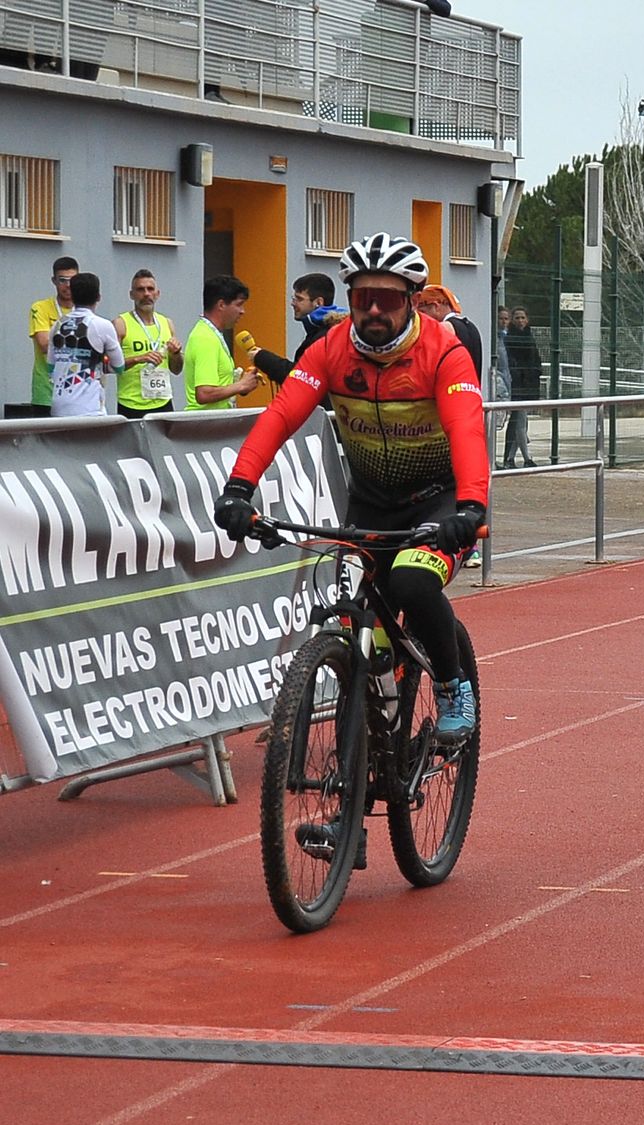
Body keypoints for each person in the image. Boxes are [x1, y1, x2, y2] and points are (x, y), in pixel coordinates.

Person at [212, 232, 486, 766]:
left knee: (411, 580)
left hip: (440, 501)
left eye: (389, 298)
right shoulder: (331, 350)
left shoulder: (443, 352)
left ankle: (453, 685)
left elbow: (467, 431)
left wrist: (471, 507)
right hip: (370, 503)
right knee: (361, 634)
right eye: (364, 298)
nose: (375, 310)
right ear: (349, 299)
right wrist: (239, 488)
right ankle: (364, 772)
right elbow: (280, 417)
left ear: (411, 299)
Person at [417, 284, 486, 568]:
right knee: (470, 480)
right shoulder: (471, 327)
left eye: (422, 310)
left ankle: (460, 547)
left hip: (448, 412)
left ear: (435, 307)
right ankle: (472, 546)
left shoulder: (446, 331)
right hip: (471, 407)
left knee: (449, 483)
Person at [48, 273, 124, 417]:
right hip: (90, 409)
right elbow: (119, 366)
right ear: (98, 297)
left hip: (59, 407)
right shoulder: (103, 325)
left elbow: (51, 367)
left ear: (72, 296)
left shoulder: (57, 325)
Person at [247, 273, 343, 386]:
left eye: (299, 299)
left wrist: (262, 357)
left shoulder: (327, 336)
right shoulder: (324, 330)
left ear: (318, 302)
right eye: (294, 298)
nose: (293, 303)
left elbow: (303, 378)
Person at [111, 269, 184, 418]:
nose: (146, 294)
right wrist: (139, 358)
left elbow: (176, 370)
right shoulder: (121, 323)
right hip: (131, 403)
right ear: (131, 294)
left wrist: (176, 354)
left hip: (163, 401)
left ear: (157, 294)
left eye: (150, 289)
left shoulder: (167, 323)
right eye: (140, 290)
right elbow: (110, 366)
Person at [184, 275, 261, 410]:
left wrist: (241, 383)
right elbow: (204, 393)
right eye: (239, 304)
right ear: (221, 305)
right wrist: (240, 385)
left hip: (214, 423)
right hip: (204, 425)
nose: (242, 311)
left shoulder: (211, 333)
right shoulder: (205, 338)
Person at [21, 256, 78, 420]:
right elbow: (45, 344)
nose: (68, 285)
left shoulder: (83, 310)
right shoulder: (40, 308)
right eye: (62, 280)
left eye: (72, 280)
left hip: (76, 392)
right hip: (47, 392)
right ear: (54, 281)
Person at [501, 305, 540, 467]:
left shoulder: (529, 337)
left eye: (523, 317)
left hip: (528, 384)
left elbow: (535, 360)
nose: (520, 320)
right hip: (517, 384)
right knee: (519, 421)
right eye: (517, 317)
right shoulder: (509, 338)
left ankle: (510, 458)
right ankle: (526, 458)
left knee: (521, 421)